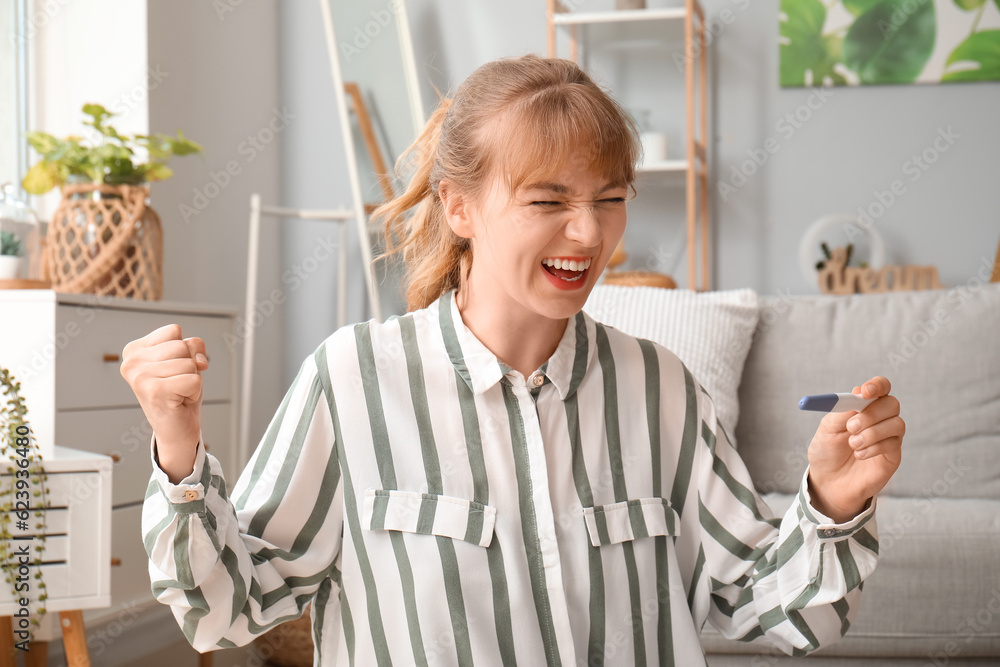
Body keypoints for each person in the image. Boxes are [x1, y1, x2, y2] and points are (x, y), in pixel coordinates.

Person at [122, 54, 905, 666]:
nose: (589, 234)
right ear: (458, 205)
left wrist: (833, 503)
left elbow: (780, 612)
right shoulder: (353, 381)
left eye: (609, 197)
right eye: (549, 200)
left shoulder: (661, 390)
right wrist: (178, 449)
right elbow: (224, 610)